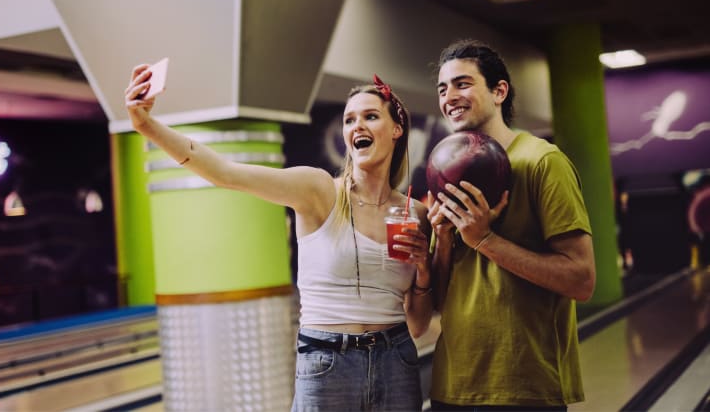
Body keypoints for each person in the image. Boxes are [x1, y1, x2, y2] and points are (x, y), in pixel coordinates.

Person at [125, 68, 433, 411]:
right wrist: (145, 125)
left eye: (370, 116)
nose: (356, 126)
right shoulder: (318, 191)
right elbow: (225, 173)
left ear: (396, 129)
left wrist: (422, 269)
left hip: (396, 359)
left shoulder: (414, 214)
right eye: (349, 120)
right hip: (329, 362)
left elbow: (418, 326)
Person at [427, 39, 596, 410]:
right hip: (453, 385)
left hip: (524, 385)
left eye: (462, 83)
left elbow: (582, 280)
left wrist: (485, 239)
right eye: (442, 88)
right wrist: (441, 238)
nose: (449, 96)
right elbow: (439, 301)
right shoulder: (445, 171)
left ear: (499, 91)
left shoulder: (542, 162)